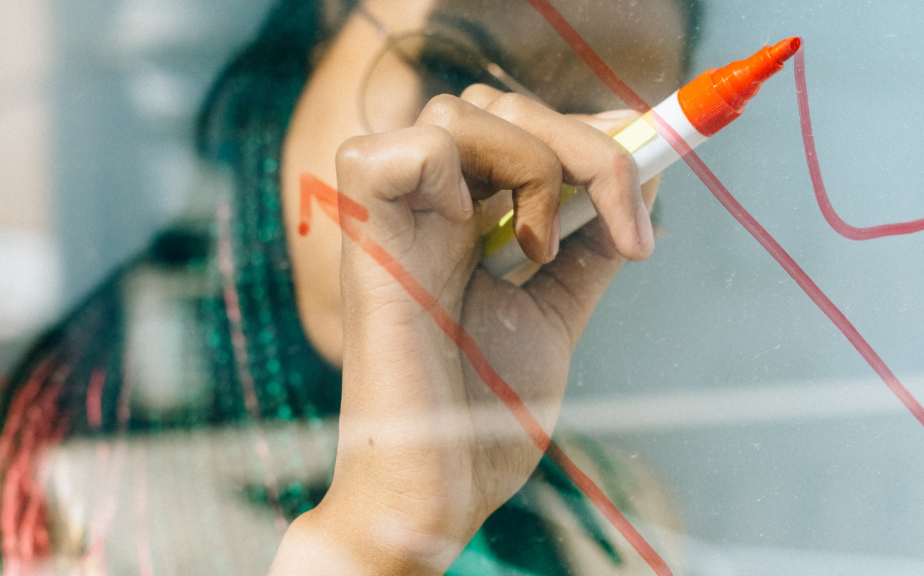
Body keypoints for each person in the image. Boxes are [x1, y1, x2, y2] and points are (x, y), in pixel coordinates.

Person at [1, 0, 700, 573]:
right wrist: (379, 538)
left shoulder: (612, 517)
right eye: (451, 71)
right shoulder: (56, 480)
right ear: (317, 36)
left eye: (600, 160)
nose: (512, 178)